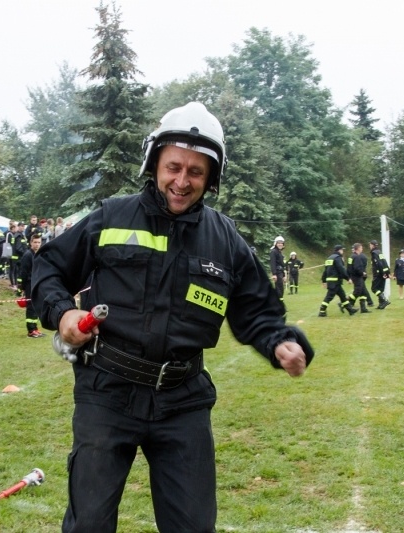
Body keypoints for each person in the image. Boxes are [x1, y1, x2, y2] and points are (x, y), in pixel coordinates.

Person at [32, 101, 313, 533]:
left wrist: (281, 342)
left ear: (211, 177)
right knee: (89, 524)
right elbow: (48, 266)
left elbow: (257, 309)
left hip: (183, 400)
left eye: (195, 172)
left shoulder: (225, 239)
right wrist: (63, 311)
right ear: (154, 164)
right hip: (107, 393)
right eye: (173, 168)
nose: (182, 182)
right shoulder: (111, 217)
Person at [318, 244, 357, 317]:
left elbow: (325, 271)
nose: (343, 251)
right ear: (339, 250)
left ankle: (350, 310)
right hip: (335, 281)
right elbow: (341, 269)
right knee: (329, 297)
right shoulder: (338, 258)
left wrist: (324, 280)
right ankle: (322, 311)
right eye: (342, 250)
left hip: (333, 281)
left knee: (342, 296)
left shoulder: (329, 258)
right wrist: (348, 278)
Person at [18, 234, 45, 338]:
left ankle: (35, 328)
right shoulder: (28, 255)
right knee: (31, 307)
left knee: (35, 306)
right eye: (35, 242)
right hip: (29, 284)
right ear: (31, 243)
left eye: (39, 242)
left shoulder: (38, 254)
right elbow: (23, 272)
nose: (37, 244)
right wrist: (22, 287)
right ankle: (31, 330)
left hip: (36, 283)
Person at [346, 243, 370, 313]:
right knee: (357, 291)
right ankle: (344, 302)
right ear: (358, 248)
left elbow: (348, 268)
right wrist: (362, 273)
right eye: (361, 248)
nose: (362, 249)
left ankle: (363, 308)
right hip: (357, 276)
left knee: (363, 292)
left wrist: (349, 277)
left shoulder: (351, 257)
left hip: (354, 276)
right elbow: (357, 268)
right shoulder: (356, 257)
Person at [368, 240, 391, 309]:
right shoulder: (379, 252)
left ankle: (384, 300)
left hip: (378, 273)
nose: (369, 246)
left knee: (374, 288)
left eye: (370, 245)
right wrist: (387, 272)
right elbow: (384, 262)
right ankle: (381, 305)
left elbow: (379, 263)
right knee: (380, 289)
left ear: (372, 245)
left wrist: (382, 273)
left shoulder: (374, 253)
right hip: (383, 273)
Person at [269, 235, 286, 301]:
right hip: (277, 272)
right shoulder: (273, 252)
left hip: (280, 272)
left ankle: (279, 302)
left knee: (280, 288)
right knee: (279, 288)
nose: (280, 244)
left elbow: (282, 265)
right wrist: (274, 274)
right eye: (279, 243)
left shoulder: (279, 252)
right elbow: (273, 263)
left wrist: (284, 275)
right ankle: (279, 303)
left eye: (281, 243)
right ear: (275, 243)